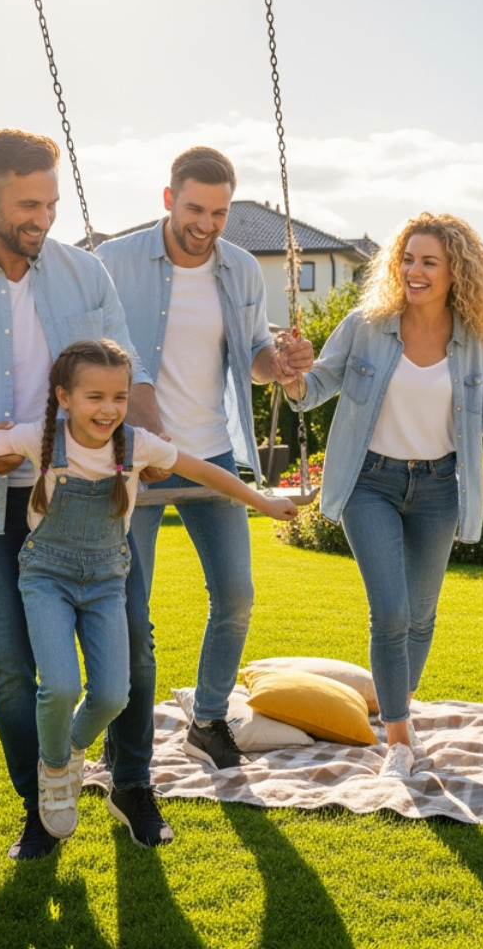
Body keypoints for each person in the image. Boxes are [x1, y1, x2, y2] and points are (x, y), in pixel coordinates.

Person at [0, 340, 297, 844]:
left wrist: (262, 502)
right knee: (60, 685)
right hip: (46, 576)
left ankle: (68, 749)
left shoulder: (137, 444)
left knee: (113, 694)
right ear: (64, 397)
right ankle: (54, 773)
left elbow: (202, 470)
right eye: (95, 397)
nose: (109, 409)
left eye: (119, 397)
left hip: (108, 582)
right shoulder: (40, 437)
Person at [0, 129, 160, 861]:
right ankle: (41, 804)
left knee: (133, 649)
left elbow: (129, 377)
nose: (42, 218)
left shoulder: (86, 274)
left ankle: (132, 784)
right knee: (11, 667)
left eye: (50, 204)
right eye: (27, 205)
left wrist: (146, 444)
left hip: (92, 498)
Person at [278, 212, 483, 780]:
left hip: (439, 487)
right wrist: (293, 374)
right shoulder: (366, 326)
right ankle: (396, 739)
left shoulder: (477, 342)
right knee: (390, 612)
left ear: (455, 272)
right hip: (370, 482)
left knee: (420, 615)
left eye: (429, 262)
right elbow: (311, 390)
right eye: (408, 259)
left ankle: (399, 707)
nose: (415, 271)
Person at [95, 147, 315, 778]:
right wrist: (141, 432)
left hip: (212, 449)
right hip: (133, 456)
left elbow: (253, 355)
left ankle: (209, 720)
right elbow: (97, 356)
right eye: (195, 209)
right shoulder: (113, 262)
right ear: (169, 199)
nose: (206, 224)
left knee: (236, 593)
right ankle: (125, 735)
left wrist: (280, 364)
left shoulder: (240, 268)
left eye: (219, 213)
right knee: (130, 611)